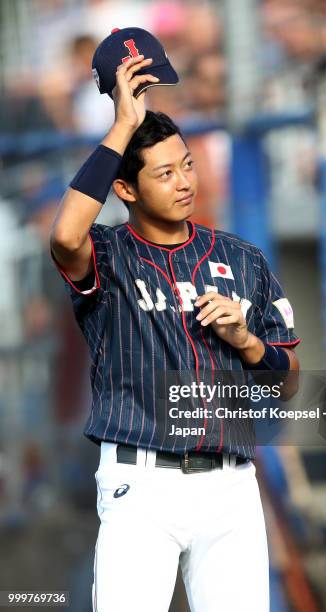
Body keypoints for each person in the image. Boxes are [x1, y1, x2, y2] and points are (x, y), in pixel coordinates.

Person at [50, 53, 300, 612]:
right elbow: (66, 237)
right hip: (141, 486)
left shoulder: (242, 259)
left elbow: (288, 384)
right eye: (165, 173)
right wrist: (121, 124)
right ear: (128, 190)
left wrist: (248, 343)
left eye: (186, 164)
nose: (185, 181)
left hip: (230, 486)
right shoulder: (110, 255)